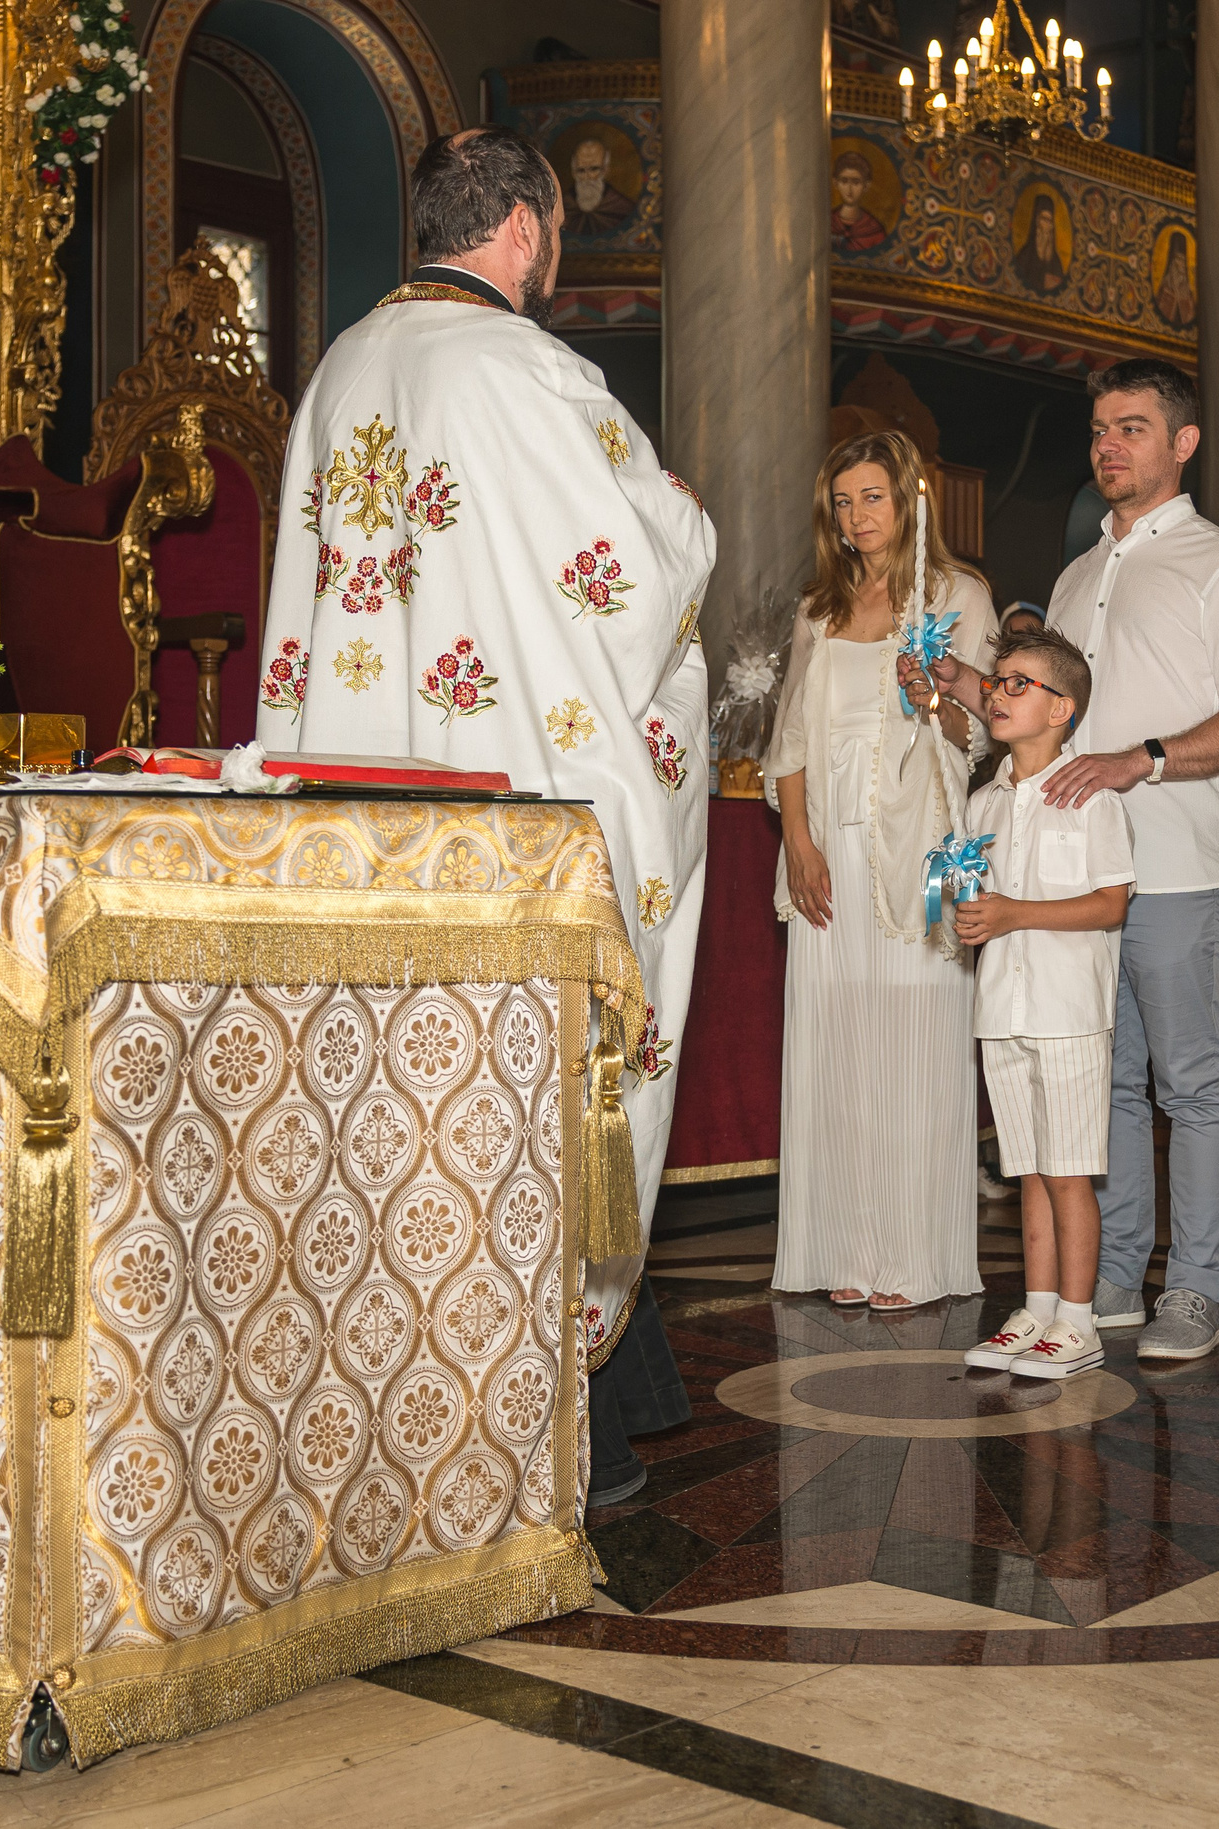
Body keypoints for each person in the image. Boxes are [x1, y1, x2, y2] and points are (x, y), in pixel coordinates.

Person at [258, 126, 715, 1504]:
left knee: (408, 1118)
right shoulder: (526, 368)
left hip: (368, 811)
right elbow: (645, 565)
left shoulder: (340, 370)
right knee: (532, 1114)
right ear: (524, 225)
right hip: (516, 815)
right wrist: (685, 518)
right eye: (557, 231)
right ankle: (556, 1431)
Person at [1040, 357, 1219, 1360]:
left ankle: (1194, 1286)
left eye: (1131, 427)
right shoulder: (1074, 574)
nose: (1108, 445)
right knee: (1110, 1086)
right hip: (1084, 872)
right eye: (1099, 428)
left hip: (1179, 865)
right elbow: (1050, 721)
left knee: (1191, 1081)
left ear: (1181, 443)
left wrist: (1142, 758)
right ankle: (1122, 1272)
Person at [766, 431, 995, 1311]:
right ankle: (845, 1248)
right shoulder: (820, 606)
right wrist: (799, 842)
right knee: (839, 1042)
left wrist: (934, 692)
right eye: (844, 501)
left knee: (912, 1037)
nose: (858, 517)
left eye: (873, 497)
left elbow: (979, 737)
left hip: (915, 848)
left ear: (908, 499)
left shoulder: (957, 595)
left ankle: (914, 1253)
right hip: (828, 847)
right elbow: (787, 739)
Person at [931, 628, 1135, 1379]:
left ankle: (1079, 1320)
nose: (996, 692)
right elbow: (983, 900)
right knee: (1028, 1170)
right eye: (996, 682)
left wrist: (1015, 913)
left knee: (1069, 1170)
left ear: (1063, 708)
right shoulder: (982, 803)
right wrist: (968, 912)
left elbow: (1111, 902)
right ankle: (1039, 1305)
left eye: (1018, 683)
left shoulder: (1090, 799)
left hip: (1068, 1008)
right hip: (1003, 1008)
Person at [565, 134, 636, 234]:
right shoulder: (563, 206)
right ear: (573, 172)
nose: (587, 177)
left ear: (605, 170)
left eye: (594, 169)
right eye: (581, 170)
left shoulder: (623, 208)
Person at [830, 151, 889, 252]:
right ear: (835, 183)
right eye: (844, 181)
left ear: (866, 185)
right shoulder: (828, 222)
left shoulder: (874, 230)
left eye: (856, 182)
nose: (849, 189)